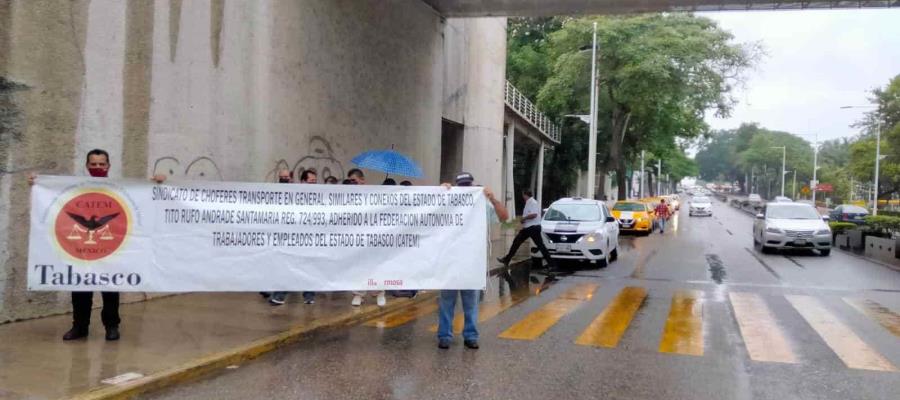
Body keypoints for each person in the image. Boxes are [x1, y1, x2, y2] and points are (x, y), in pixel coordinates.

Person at [28, 149, 165, 341]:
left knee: (110, 290)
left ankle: (111, 326)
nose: (98, 167)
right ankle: (80, 327)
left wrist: (158, 182)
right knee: (80, 289)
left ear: (109, 166)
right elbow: (55, 198)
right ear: (87, 166)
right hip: (81, 249)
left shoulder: (119, 188)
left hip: (111, 248)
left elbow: (144, 196)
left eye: (102, 164)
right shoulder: (77, 188)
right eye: (94, 164)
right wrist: (38, 184)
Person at [437, 172, 509, 350]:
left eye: (467, 185)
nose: (465, 189)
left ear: (472, 186)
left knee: (471, 303)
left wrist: (493, 199)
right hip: (450, 261)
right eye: (461, 186)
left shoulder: (481, 204)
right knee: (447, 302)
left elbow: (504, 217)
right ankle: (445, 336)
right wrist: (437, 193)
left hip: (471, 262)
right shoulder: (446, 200)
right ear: (455, 187)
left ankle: (470, 336)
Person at [347, 168, 387, 307]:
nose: (352, 184)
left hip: (373, 237)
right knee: (358, 267)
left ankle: (380, 293)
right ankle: (358, 294)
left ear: (362, 180)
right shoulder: (347, 197)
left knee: (376, 266)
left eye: (354, 181)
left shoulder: (374, 195)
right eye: (350, 181)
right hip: (357, 237)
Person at [497, 190, 556, 271]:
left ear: (525, 195)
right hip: (528, 228)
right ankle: (506, 260)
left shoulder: (533, 203)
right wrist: (524, 220)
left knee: (540, 246)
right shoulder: (528, 202)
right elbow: (530, 215)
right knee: (516, 242)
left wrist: (524, 218)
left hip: (533, 228)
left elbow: (534, 214)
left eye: (523, 195)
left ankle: (552, 264)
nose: (522, 197)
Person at [267, 169, 295, 306]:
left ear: (291, 178)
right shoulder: (274, 193)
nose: (283, 179)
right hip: (277, 235)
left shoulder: (297, 195)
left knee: (286, 267)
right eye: (281, 177)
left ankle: (280, 295)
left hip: (291, 237)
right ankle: (275, 293)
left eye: (286, 177)